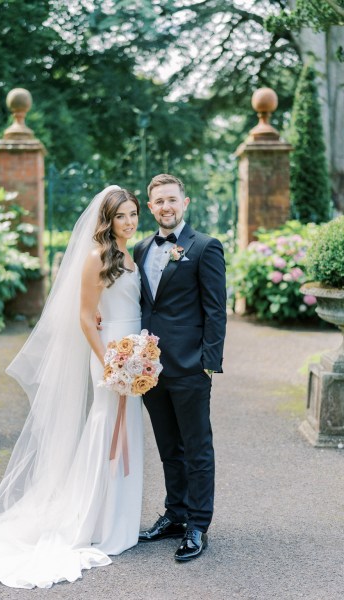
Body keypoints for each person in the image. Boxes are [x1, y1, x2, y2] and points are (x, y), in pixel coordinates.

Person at [0, 186, 144, 589]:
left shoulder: (131, 255)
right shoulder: (95, 257)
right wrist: (112, 362)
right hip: (109, 355)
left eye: (133, 214)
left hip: (136, 351)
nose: (129, 222)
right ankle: (95, 520)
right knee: (105, 427)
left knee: (130, 431)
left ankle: (121, 521)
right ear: (107, 219)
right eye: (121, 216)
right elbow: (87, 318)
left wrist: (139, 356)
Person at [134, 173, 226, 562]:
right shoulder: (139, 249)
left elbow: (215, 310)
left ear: (184, 203)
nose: (166, 207)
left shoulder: (205, 247)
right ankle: (175, 514)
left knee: (197, 448)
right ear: (151, 207)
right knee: (169, 447)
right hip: (149, 370)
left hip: (190, 367)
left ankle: (198, 524)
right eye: (159, 202)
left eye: (173, 200)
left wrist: (208, 364)